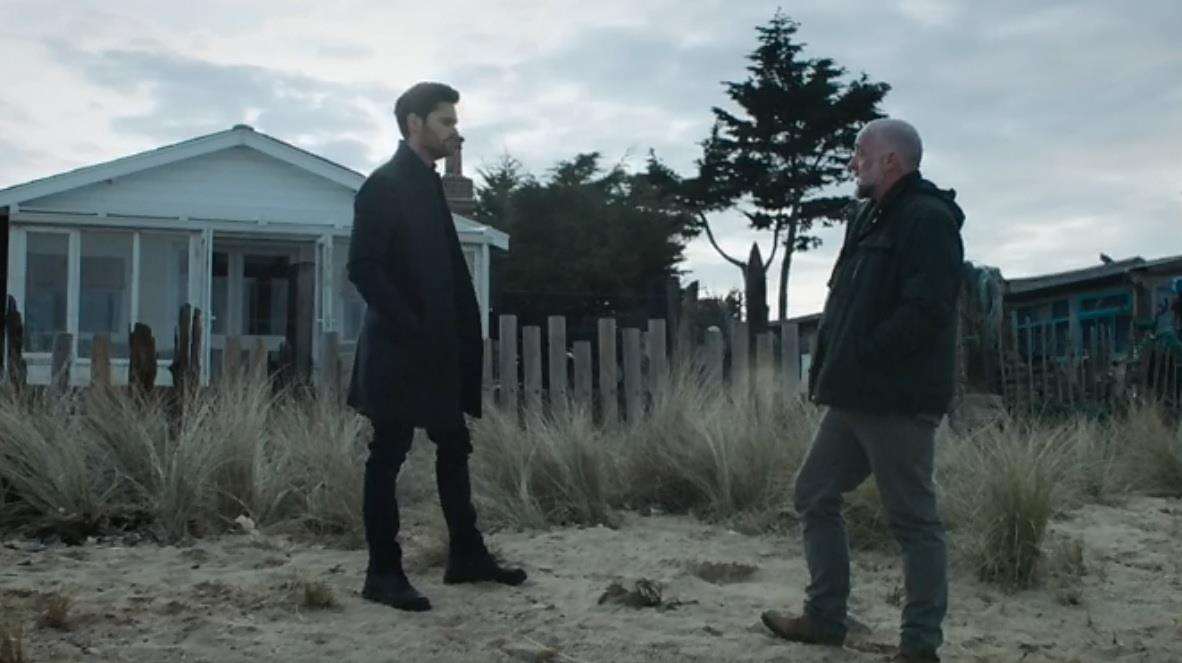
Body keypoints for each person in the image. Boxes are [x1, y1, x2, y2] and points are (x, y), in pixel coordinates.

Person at [760, 118, 964, 662]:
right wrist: (832, 366)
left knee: (914, 521)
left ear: (892, 161)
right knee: (813, 493)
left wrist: (866, 356)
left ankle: (919, 647)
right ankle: (825, 618)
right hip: (852, 397)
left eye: (861, 153)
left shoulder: (929, 220)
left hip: (897, 400)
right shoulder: (866, 218)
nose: (854, 163)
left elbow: (927, 310)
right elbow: (845, 304)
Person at [347, 81, 526, 612]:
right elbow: (364, 269)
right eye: (445, 121)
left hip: (439, 353)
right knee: (387, 456)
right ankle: (382, 573)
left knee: (454, 445)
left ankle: (466, 556)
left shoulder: (427, 185)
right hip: (401, 353)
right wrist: (413, 327)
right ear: (413, 124)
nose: (455, 130)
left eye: (454, 121)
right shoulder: (383, 185)